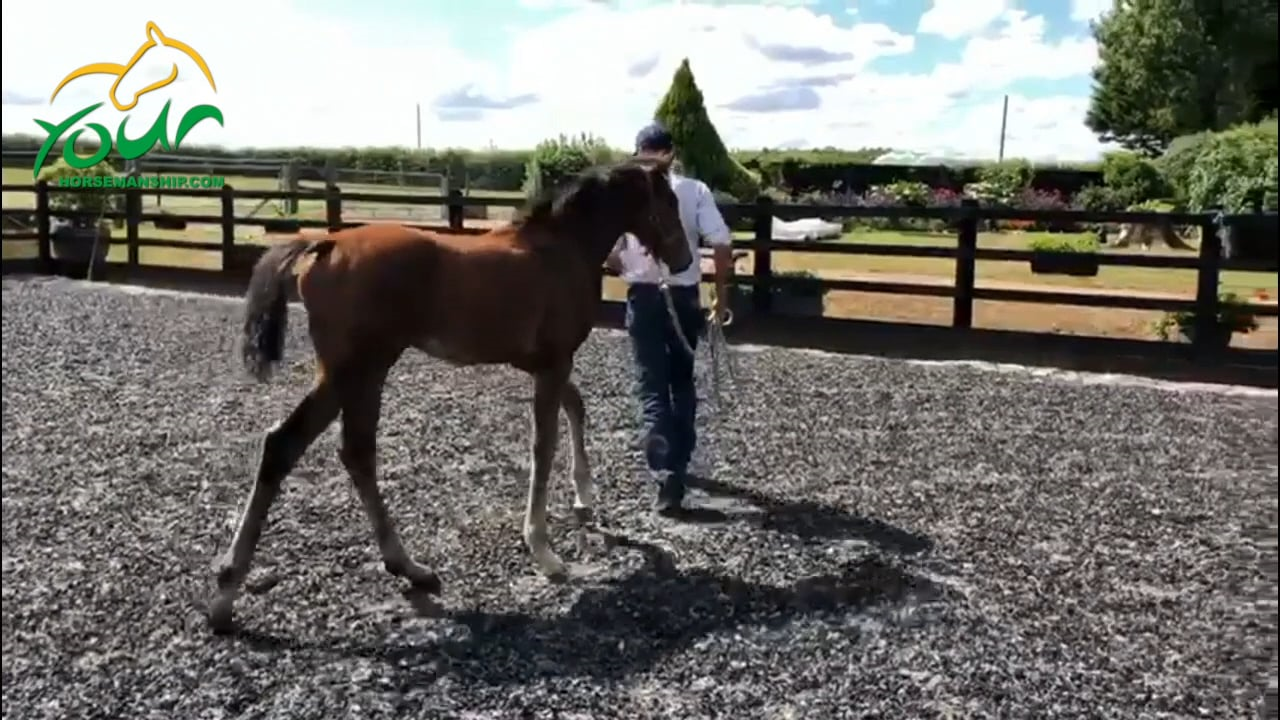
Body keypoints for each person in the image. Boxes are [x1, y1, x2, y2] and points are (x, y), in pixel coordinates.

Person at [605, 121, 734, 517]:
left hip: (643, 297)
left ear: (638, 150)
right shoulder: (694, 190)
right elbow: (722, 244)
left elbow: (608, 256)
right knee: (681, 378)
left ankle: (666, 476)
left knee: (651, 385)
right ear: (671, 153)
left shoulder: (622, 194)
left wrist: (620, 263)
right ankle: (680, 459)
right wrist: (721, 296)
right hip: (683, 295)